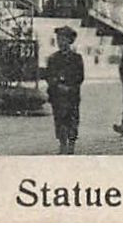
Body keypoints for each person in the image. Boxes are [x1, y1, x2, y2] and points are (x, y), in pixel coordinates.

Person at [46, 25, 85, 154]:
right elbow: (49, 76)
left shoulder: (76, 58)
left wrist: (70, 87)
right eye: (58, 39)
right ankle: (62, 144)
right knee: (59, 119)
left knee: (72, 119)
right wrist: (57, 85)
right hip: (57, 94)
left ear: (70, 41)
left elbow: (80, 76)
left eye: (63, 39)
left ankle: (71, 144)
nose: (60, 42)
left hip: (71, 94)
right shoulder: (53, 59)